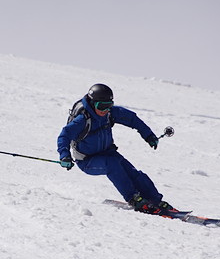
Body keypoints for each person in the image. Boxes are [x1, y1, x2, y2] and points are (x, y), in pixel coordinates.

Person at [57, 83, 178, 214]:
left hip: (108, 153)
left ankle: (155, 200)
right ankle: (134, 199)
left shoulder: (109, 113)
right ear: (92, 103)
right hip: (87, 161)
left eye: (108, 106)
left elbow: (132, 119)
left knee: (132, 172)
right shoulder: (83, 119)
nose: (105, 111)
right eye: (101, 106)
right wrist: (65, 156)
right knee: (113, 166)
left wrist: (148, 135)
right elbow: (64, 136)